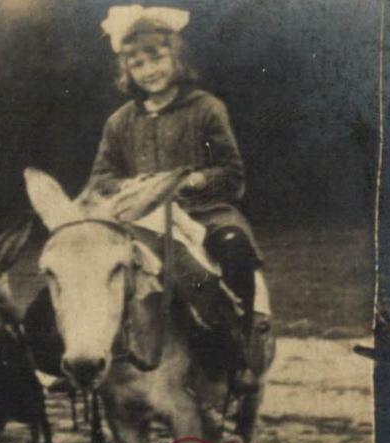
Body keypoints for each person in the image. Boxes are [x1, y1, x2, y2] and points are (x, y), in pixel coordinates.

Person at [89, 4, 267, 391]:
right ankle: (73, 357)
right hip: (140, 217)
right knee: (87, 264)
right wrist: (129, 187)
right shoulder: (120, 122)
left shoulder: (204, 108)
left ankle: (237, 349)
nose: (149, 70)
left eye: (156, 57)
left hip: (204, 212)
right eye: (137, 63)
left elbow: (232, 174)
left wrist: (194, 180)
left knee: (232, 247)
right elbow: (101, 178)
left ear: (176, 56)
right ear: (127, 71)